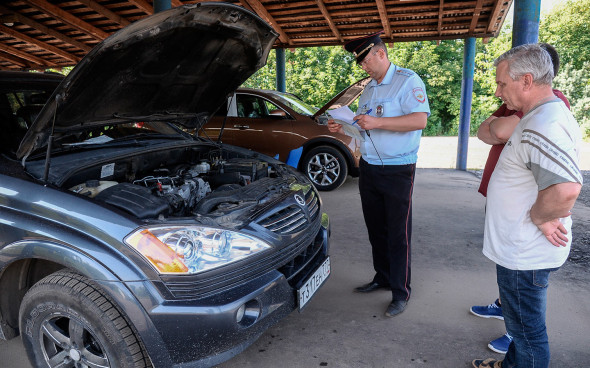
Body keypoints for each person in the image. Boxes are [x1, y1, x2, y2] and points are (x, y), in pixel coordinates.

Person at [471, 44, 583, 368]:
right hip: (523, 251)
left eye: (502, 83)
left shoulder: (542, 123)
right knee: (522, 331)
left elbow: (565, 189)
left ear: (527, 81)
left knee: (528, 337)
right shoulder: (543, 115)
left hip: (524, 254)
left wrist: (540, 216)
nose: (497, 90)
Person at [327, 31, 430, 317]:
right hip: (370, 167)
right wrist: (344, 127)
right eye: (360, 63)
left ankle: (401, 291)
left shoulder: (407, 81)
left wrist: (378, 121)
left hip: (398, 169)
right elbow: (365, 127)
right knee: (376, 228)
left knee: (399, 234)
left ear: (380, 53)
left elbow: (419, 119)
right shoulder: (369, 88)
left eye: (365, 60)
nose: (363, 67)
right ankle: (383, 277)